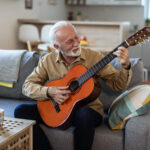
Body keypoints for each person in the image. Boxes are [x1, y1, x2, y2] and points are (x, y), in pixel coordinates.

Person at [14, 21, 132, 150]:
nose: (76, 43)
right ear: (57, 47)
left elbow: (118, 85)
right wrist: (49, 91)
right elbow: (27, 86)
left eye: (76, 37)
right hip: (60, 110)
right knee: (21, 110)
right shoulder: (47, 60)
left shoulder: (94, 57)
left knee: (84, 114)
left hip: (88, 111)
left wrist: (126, 66)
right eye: (69, 42)